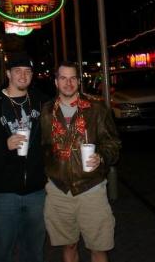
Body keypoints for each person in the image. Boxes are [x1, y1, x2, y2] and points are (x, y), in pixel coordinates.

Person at [0, 53, 49, 262]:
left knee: (34, 251)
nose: (23, 76)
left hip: (36, 191)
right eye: (17, 71)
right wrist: (4, 145)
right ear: (8, 74)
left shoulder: (42, 102)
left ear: (32, 75)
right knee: (2, 251)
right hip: (2, 193)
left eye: (27, 71)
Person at [41, 61, 121, 262]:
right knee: (69, 245)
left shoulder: (96, 108)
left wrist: (101, 157)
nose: (68, 83)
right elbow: (41, 147)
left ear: (78, 81)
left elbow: (113, 144)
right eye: (63, 78)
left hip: (91, 189)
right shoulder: (46, 112)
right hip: (59, 191)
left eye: (72, 78)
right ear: (56, 82)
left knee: (99, 247)